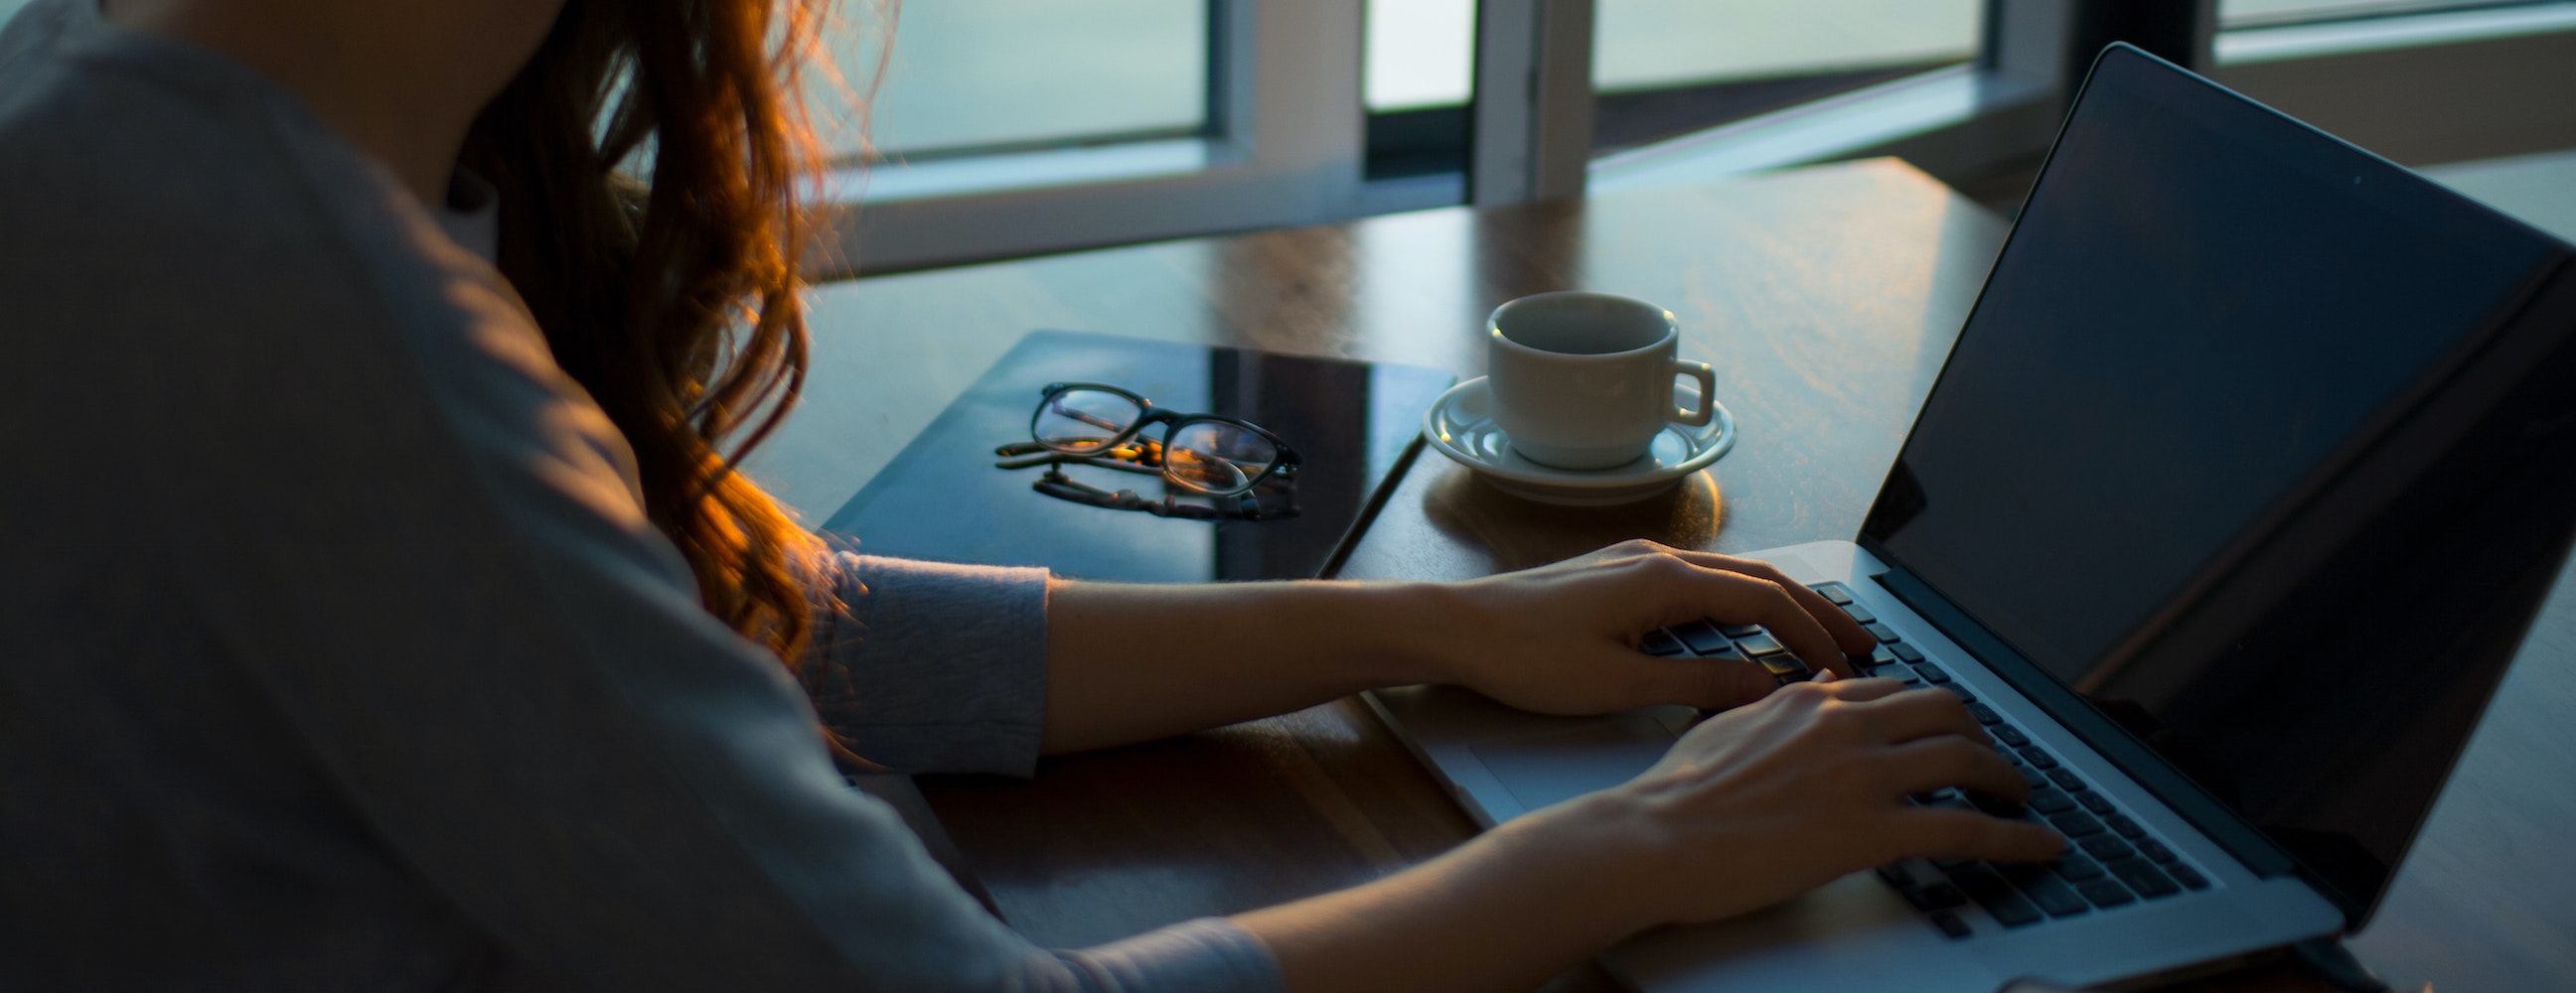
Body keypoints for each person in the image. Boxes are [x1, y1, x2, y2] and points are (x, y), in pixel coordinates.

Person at [0, 0, 2062, 989]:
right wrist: (1627, 850)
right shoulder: (295, 302)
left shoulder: (106, 115)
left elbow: (692, 631)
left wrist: (1419, 623)